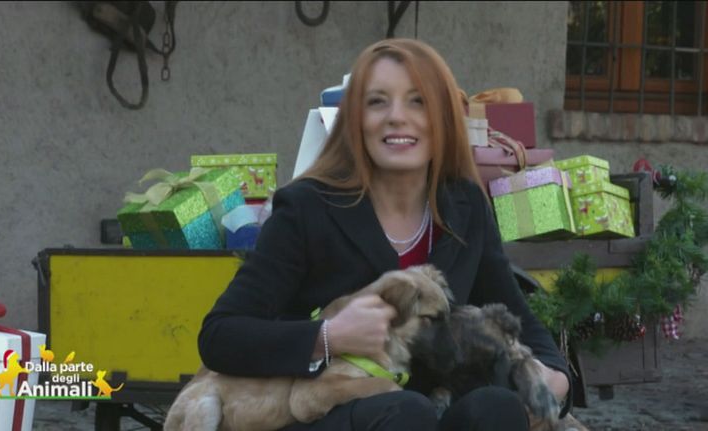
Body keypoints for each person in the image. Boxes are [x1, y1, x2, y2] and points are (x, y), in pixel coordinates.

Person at [198, 38, 571, 430]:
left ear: (444, 118)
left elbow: (520, 321)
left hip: (430, 411)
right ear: (356, 120)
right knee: (405, 412)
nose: (396, 117)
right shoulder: (307, 208)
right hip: (328, 412)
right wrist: (329, 336)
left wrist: (555, 379)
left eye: (417, 101)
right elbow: (220, 335)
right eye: (377, 102)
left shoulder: (465, 206)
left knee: (494, 407)